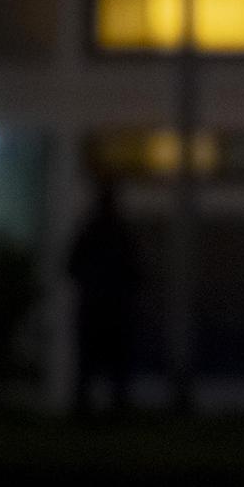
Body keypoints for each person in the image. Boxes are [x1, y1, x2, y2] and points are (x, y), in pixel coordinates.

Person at [66, 176, 139, 417]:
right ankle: (98, 411)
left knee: (96, 366)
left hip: (102, 307)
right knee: (104, 367)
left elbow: (71, 266)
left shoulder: (98, 231)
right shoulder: (111, 232)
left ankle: (93, 410)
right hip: (106, 308)